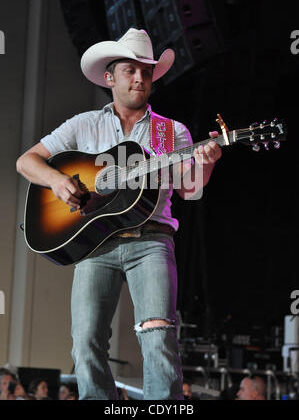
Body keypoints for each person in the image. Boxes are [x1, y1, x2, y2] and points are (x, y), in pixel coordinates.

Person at [16, 28, 222, 400]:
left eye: (146, 72)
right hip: (95, 245)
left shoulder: (170, 132)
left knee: (159, 337)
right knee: (86, 344)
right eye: (130, 70)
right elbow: (26, 161)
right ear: (110, 77)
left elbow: (189, 190)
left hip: (153, 241)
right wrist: (59, 181)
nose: (140, 78)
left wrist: (205, 163)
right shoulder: (84, 124)